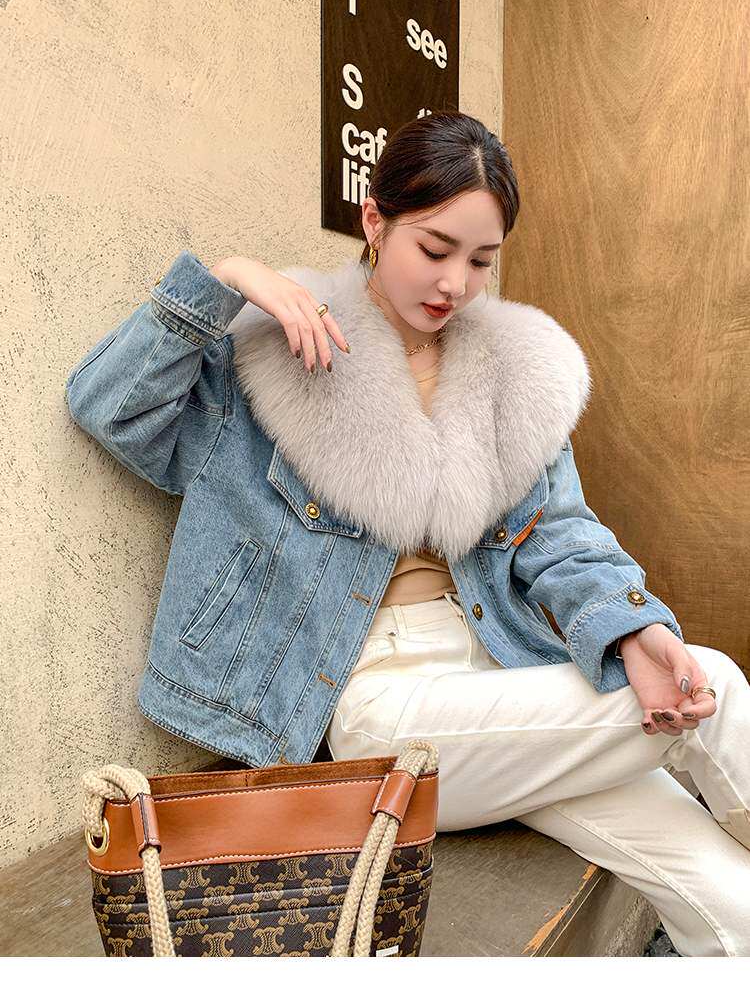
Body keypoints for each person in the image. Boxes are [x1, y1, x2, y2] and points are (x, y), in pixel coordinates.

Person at [65, 109, 750, 956]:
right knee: (717, 690)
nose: (455, 283)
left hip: (504, 682)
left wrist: (633, 629)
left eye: (481, 261)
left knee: (731, 900)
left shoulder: (509, 374)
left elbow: (561, 533)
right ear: (375, 221)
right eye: (435, 248)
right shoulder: (272, 353)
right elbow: (109, 408)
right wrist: (230, 279)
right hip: (378, 710)